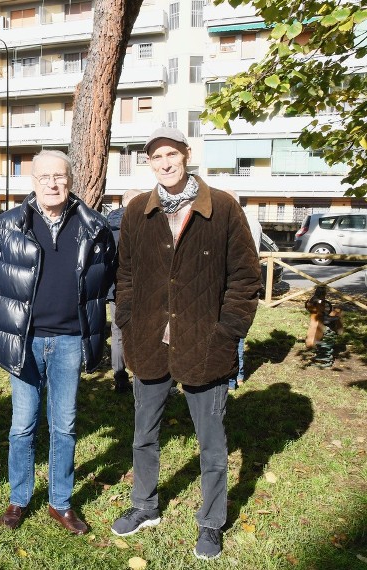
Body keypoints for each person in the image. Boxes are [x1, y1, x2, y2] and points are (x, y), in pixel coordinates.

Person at [110, 127, 261, 560]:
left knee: (211, 444)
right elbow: (126, 275)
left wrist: (227, 332)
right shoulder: (137, 211)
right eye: (156, 156)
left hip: (205, 345)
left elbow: (245, 279)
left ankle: (211, 522)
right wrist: (127, 321)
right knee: (143, 436)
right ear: (149, 163)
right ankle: (144, 506)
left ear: (186, 154)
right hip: (149, 343)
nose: (165, 162)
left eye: (171, 154)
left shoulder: (223, 208)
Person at [0, 150, 116, 534]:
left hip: (70, 340)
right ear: (33, 181)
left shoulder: (94, 226)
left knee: (65, 425)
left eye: (59, 176)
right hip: (25, 341)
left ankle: (61, 502)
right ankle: (19, 498)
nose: (53, 184)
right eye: (45, 177)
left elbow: (105, 277)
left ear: (70, 180)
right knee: (22, 425)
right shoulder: (7, 226)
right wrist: (15, 320)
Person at [223, 189, 263, 391]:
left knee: (231, 330)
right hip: (247, 279)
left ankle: (231, 378)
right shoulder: (253, 221)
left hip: (234, 280)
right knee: (238, 329)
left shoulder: (235, 220)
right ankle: (237, 376)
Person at [106, 189, 143, 393]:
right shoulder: (143, 223)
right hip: (139, 288)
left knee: (118, 333)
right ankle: (140, 376)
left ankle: (120, 378)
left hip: (116, 288)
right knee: (139, 332)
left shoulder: (107, 225)